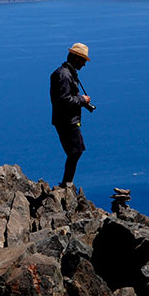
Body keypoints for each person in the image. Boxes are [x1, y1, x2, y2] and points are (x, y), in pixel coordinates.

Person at [50, 43, 92, 188]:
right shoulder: (64, 75)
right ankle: (67, 183)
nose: (84, 64)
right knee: (75, 151)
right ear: (76, 58)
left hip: (68, 120)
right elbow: (64, 99)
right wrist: (82, 100)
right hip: (66, 121)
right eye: (83, 60)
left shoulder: (66, 73)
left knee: (77, 150)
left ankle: (67, 182)